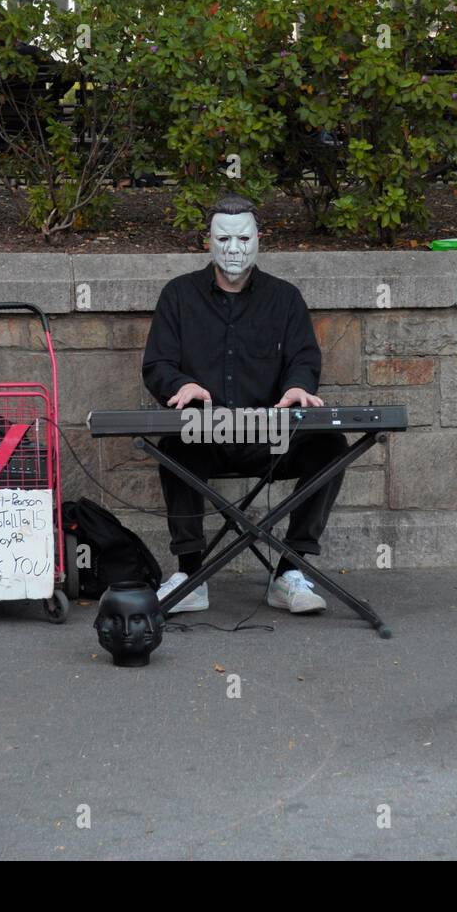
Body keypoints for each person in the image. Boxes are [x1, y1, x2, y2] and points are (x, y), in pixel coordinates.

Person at [142, 194, 348, 616]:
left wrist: (297, 387)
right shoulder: (178, 296)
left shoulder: (285, 299)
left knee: (330, 445)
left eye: (243, 238)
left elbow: (304, 359)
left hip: (270, 434)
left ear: (259, 240)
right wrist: (182, 385)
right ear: (208, 242)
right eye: (223, 238)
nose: (233, 249)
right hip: (206, 433)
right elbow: (157, 363)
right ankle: (192, 575)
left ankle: (290, 570)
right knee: (174, 447)